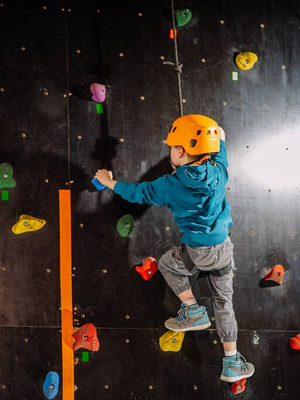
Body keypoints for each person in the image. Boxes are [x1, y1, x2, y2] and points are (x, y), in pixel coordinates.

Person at [94, 114, 254, 383]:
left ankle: (193, 310)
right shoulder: (219, 170)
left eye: (171, 146)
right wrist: (215, 135)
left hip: (196, 251)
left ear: (180, 151)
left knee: (168, 263)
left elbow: (138, 193)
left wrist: (109, 181)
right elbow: (221, 143)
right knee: (224, 303)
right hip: (223, 248)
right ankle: (231, 362)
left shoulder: (169, 185)